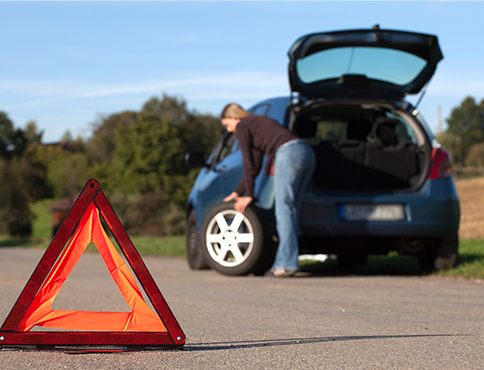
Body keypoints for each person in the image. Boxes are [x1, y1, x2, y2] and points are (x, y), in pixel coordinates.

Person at [221, 103, 316, 277]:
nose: (229, 130)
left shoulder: (243, 125)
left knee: (284, 211)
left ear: (235, 118)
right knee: (291, 210)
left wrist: (248, 196)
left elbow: (247, 163)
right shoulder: (256, 124)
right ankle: (283, 262)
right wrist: (237, 192)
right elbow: (255, 167)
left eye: (227, 125)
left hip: (288, 153)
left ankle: (286, 264)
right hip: (306, 153)